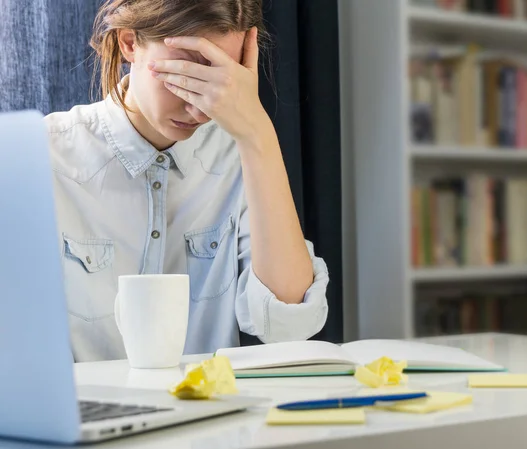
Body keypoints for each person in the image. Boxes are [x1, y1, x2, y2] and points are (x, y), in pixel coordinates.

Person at [44, 0, 329, 362]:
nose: (199, 109)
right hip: (89, 416)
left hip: (210, 414)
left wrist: (258, 135)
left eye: (218, 82)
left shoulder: (241, 156)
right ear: (129, 42)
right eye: (186, 77)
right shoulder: (45, 159)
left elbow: (290, 324)